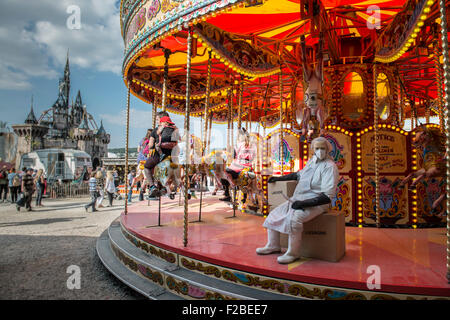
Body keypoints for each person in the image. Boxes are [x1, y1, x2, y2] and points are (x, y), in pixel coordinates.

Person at [256, 137, 339, 264]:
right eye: (317, 148)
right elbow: (298, 175)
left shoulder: (330, 166)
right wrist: (278, 178)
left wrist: (304, 204)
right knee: (274, 214)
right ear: (313, 150)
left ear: (328, 149)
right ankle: (273, 245)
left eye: (323, 148)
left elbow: (327, 195)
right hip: (299, 199)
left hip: (318, 203)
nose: (320, 151)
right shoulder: (312, 162)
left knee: (295, 219)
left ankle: (293, 253)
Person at [145, 111, 180, 197]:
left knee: (146, 167)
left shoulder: (156, 130)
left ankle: (152, 186)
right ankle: (164, 188)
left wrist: (150, 147)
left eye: (157, 119)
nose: (157, 121)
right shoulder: (174, 129)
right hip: (170, 158)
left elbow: (150, 145)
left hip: (158, 156)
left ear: (161, 119)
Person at [219, 128, 257, 202]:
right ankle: (235, 188)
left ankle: (230, 189)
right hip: (248, 166)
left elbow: (233, 156)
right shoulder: (252, 145)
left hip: (238, 166)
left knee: (224, 172)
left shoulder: (239, 145)